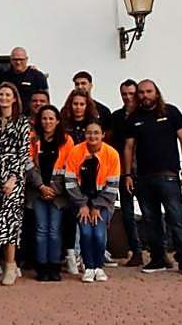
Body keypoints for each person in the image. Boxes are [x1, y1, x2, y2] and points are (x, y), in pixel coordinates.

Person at [124, 79, 182, 275]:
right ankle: (157, 258)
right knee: (150, 219)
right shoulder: (134, 117)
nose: (144, 96)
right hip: (143, 178)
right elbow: (128, 147)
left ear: (156, 92)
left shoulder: (171, 112)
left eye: (148, 91)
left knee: (176, 217)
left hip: (169, 176)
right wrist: (128, 174)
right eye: (141, 92)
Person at [0, 82, 31, 285]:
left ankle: (11, 267)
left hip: (14, 175)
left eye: (7, 95)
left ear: (14, 98)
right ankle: (7, 265)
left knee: (9, 221)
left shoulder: (22, 122)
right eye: (1, 94)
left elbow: (24, 154)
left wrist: (13, 178)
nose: (3, 98)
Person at [64, 123, 122, 283]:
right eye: (89, 133)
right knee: (86, 233)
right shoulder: (76, 152)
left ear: (103, 135)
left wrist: (96, 206)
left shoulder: (112, 154)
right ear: (85, 134)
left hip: (103, 202)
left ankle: (99, 267)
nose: (92, 136)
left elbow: (113, 184)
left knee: (99, 234)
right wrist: (82, 204)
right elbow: (70, 181)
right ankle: (89, 267)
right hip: (80, 201)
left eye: (96, 133)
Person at [27, 105, 72, 281]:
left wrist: (54, 190)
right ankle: (42, 266)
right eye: (44, 118)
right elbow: (28, 164)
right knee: (40, 230)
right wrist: (41, 187)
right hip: (37, 191)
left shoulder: (66, 140)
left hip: (58, 195)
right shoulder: (32, 139)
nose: (47, 122)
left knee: (54, 231)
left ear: (57, 120)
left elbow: (69, 167)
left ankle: (54, 266)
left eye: (51, 118)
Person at [106, 79, 144, 266]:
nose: (128, 97)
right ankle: (135, 252)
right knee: (128, 214)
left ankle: (159, 253)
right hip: (123, 171)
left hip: (145, 170)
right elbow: (109, 143)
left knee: (150, 212)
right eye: (124, 94)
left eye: (131, 93)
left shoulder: (146, 114)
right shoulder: (116, 116)